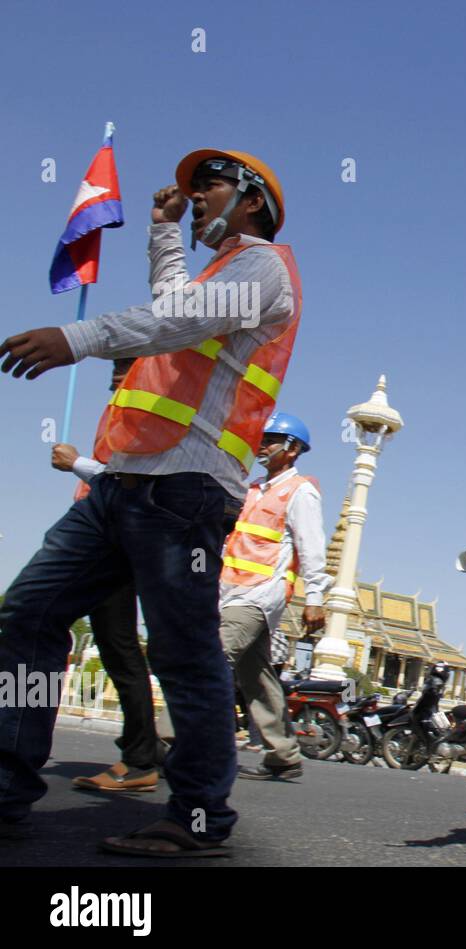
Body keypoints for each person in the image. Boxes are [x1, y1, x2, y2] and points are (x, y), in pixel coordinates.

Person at [0, 148, 301, 856]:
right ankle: (9, 786)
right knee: (29, 615)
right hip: (121, 485)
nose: (195, 196)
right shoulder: (217, 271)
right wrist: (162, 232)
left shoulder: (265, 269)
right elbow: (175, 304)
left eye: (211, 187)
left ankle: (198, 816)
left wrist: (74, 338)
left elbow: (174, 322)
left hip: (185, 492)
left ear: (251, 201)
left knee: (185, 651)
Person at [49, 359, 173, 792]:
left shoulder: (149, 414)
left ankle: (142, 757)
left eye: (127, 368)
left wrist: (77, 463)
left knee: (109, 645)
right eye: (115, 370)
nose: (117, 377)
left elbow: (132, 479)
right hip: (95, 535)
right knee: (114, 647)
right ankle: (144, 752)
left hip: (116, 543)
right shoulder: (116, 414)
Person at [219, 412, 329, 781]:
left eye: (271, 439)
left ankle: (166, 744)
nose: (261, 446)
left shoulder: (300, 491)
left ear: (293, 449)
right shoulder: (252, 489)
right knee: (257, 675)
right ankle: (283, 753)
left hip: (259, 596)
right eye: (261, 439)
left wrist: (315, 597)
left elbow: (312, 548)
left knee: (209, 660)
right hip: (229, 592)